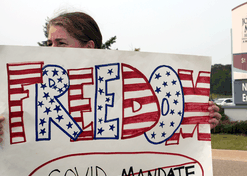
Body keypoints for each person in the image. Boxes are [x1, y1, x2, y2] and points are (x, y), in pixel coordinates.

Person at [0, 11, 221, 143]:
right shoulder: (27, 91)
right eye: (50, 43)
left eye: (61, 43)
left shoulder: (125, 87)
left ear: (88, 47)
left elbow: (154, 137)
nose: (51, 49)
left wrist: (198, 123)